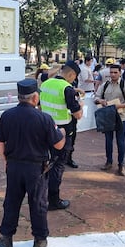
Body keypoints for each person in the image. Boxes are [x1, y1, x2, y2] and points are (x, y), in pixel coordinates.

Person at [0, 79, 66, 247]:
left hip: (14, 166)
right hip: (36, 169)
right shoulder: (44, 118)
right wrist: (62, 134)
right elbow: (58, 146)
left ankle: (6, 238)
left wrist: (5, 160)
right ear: (35, 98)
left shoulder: (7, 115)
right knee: (38, 204)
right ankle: (39, 240)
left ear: (20, 97)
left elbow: (0, 141)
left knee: (11, 202)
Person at [40, 62, 83, 210]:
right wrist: (81, 104)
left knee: (45, 163)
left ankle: (39, 196)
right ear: (71, 75)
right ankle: (53, 200)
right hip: (62, 133)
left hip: (45, 129)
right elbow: (78, 115)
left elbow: (40, 106)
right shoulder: (67, 89)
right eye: (74, 77)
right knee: (58, 166)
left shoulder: (45, 84)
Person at [94, 64, 125, 176]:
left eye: (115, 72)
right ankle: (108, 162)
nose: (112, 75)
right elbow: (96, 97)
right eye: (111, 73)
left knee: (120, 141)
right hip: (108, 116)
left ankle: (121, 165)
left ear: (120, 73)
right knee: (108, 140)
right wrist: (100, 101)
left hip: (121, 117)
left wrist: (122, 105)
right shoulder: (105, 85)